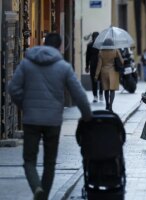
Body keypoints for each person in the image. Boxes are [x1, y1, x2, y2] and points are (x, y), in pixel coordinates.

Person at [8, 33, 92, 200]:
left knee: (29, 160)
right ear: (60, 47)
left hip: (31, 120)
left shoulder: (26, 63)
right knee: (49, 162)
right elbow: (79, 94)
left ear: (44, 42)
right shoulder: (63, 67)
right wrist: (88, 116)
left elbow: (13, 88)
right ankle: (44, 196)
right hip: (53, 121)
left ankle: (37, 188)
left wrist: (25, 106)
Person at [95, 38, 124, 111]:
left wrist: (96, 75)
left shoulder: (101, 52)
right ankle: (111, 105)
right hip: (113, 71)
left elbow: (99, 65)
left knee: (106, 89)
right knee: (112, 90)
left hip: (104, 72)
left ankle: (107, 104)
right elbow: (122, 61)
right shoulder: (115, 51)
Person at [85, 32, 103, 102]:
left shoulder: (101, 45)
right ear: (93, 37)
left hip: (101, 64)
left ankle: (101, 94)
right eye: (95, 37)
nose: (96, 38)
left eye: (97, 37)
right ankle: (95, 95)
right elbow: (87, 56)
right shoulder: (90, 45)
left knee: (102, 80)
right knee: (94, 81)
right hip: (93, 65)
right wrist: (87, 66)